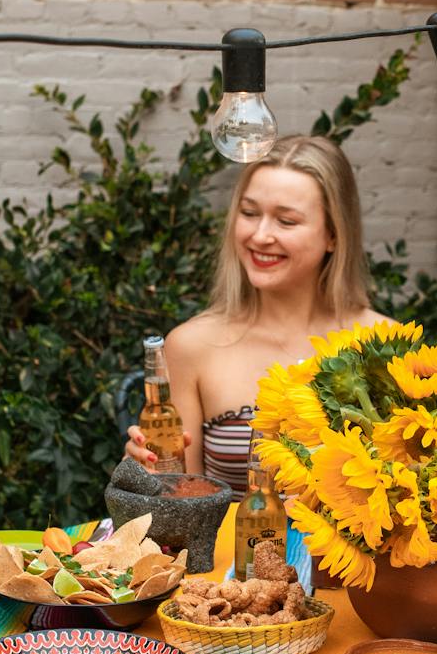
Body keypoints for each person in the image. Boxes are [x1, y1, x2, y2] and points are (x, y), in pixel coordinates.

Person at [125, 134, 389, 485]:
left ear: (333, 235)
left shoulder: (385, 344)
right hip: (226, 540)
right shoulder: (191, 346)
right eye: (249, 213)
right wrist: (146, 472)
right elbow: (180, 506)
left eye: (286, 221)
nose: (261, 235)